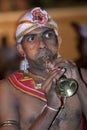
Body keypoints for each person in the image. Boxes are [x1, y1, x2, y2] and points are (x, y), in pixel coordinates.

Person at [0, 7, 87, 130]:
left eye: (48, 35)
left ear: (59, 41)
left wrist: (80, 83)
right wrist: (51, 108)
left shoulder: (81, 75)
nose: (41, 44)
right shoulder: (8, 88)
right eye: (31, 38)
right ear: (21, 49)